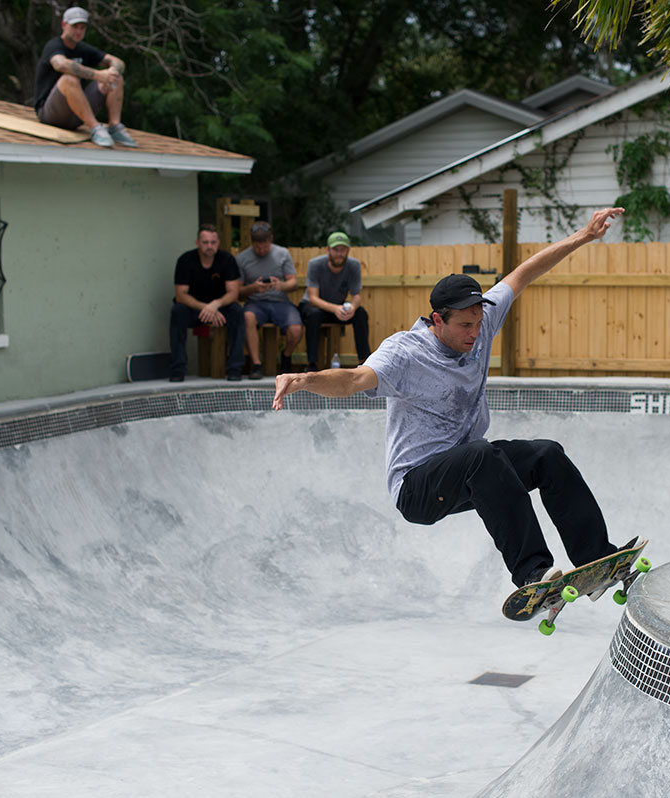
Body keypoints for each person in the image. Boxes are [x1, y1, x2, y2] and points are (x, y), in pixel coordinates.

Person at [271, 207, 639, 588]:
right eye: (465, 326)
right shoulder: (404, 353)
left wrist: (583, 235)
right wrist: (305, 379)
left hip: (471, 475)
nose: (475, 333)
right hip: (419, 487)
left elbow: (524, 273)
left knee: (547, 454)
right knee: (482, 455)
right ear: (437, 320)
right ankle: (533, 574)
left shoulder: (482, 320)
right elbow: (353, 380)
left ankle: (596, 559)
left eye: (479, 323)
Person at [33, 6, 137, 148]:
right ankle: (95, 128)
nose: (79, 31)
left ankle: (114, 125)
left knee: (115, 76)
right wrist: (98, 75)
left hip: (77, 116)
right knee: (69, 79)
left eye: (82, 28)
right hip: (51, 114)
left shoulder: (83, 49)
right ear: (64, 25)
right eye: (75, 26)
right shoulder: (54, 45)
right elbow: (61, 64)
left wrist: (112, 70)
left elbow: (118, 62)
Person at [169, 224, 246, 382]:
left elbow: (233, 292)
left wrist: (216, 304)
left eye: (212, 242)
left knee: (237, 311)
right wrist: (207, 307)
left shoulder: (227, 260)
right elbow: (180, 295)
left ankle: (234, 369)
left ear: (218, 242)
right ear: (197, 242)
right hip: (194, 308)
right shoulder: (185, 260)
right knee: (177, 311)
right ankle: (178, 369)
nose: (209, 246)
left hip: (220, 307)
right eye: (205, 242)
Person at [236, 222, 303, 378]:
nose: (261, 250)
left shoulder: (283, 253)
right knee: (247, 317)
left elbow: (293, 283)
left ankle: (286, 356)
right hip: (255, 303)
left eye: (265, 247)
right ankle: (256, 364)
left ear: (271, 239)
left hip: (281, 302)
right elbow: (237, 291)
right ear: (252, 243)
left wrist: (281, 285)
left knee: (296, 329)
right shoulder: (242, 258)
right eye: (258, 247)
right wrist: (253, 287)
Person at [299, 232, 371, 370]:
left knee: (361, 313)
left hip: (337, 308)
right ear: (328, 250)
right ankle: (312, 364)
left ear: (348, 250)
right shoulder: (315, 264)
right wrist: (335, 309)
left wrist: (352, 308)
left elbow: (356, 296)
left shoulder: (354, 265)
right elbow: (313, 298)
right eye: (336, 250)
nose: (339, 254)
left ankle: (365, 362)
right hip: (314, 306)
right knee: (314, 314)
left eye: (343, 250)